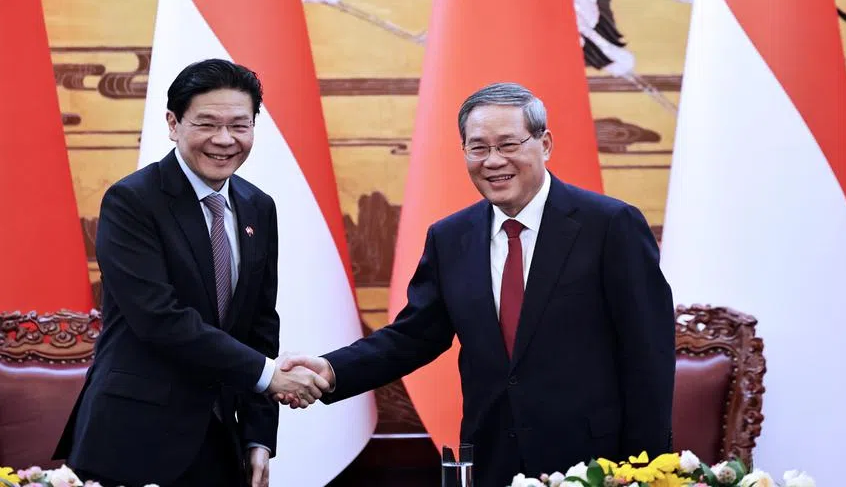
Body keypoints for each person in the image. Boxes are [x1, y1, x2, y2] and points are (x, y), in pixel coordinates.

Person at [279, 82, 675, 486]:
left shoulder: (610, 226)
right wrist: (330, 370)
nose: (493, 161)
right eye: (478, 147)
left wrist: (643, 469)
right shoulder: (451, 237)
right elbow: (413, 337)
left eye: (508, 144)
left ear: (545, 143)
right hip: (493, 462)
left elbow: (649, 356)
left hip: (595, 466)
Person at [55, 59, 329, 487]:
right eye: (207, 124)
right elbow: (159, 319)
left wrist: (259, 436)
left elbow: (259, 325)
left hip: (222, 443)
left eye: (240, 125)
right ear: (173, 123)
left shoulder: (258, 206)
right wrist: (269, 375)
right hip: (134, 440)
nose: (224, 140)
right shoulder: (132, 202)